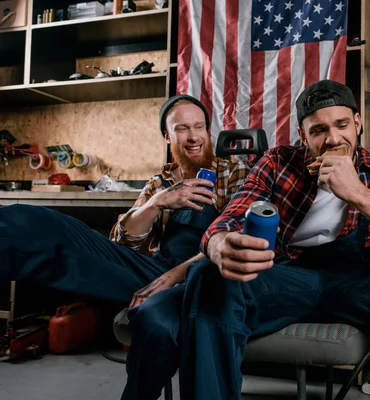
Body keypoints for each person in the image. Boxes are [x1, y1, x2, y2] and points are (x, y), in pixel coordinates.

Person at [177, 80, 370, 400]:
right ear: (303, 134)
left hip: (355, 284)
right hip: (287, 280)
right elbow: (227, 221)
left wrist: (357, 193)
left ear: (357, 123)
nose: (332, 139)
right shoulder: (276, 162)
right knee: (206, 275)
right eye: (318, 130)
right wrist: (219, 245)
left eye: (342, 125)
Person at [0, 94, 250, 400]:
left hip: (207, 276)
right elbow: (121, 242)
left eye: (199, 127)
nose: (193, 136)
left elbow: (235, 238)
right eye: (182, 128)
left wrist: (175, 275)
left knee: (157, 320)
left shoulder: (235, 174)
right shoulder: (159, 183)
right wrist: (158, 203)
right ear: (167, 135)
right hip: (151, 273)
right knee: (43, 224)